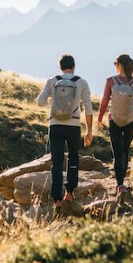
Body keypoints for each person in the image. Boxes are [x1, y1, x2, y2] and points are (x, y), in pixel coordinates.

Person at [36, 54, 93, 204]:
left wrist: (54, 103)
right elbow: (88, 108)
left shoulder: (52, 81)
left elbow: (40, 102)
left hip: (55, 125)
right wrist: (89, 131)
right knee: (73, 156)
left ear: (60, 67)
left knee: (57, 161)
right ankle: (70, 191)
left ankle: (57, 199)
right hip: (73, 126)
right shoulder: (81, 82)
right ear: (74, 67)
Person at [96, 53, 133, 199]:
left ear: (119, 65)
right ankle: (122, 183)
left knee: (117, 153)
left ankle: (119, 185)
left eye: (115, 64)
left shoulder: (110, 81)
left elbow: (105, 101)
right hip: (130, 122)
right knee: (125, 151)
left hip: (114, 121)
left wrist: (100, 118)